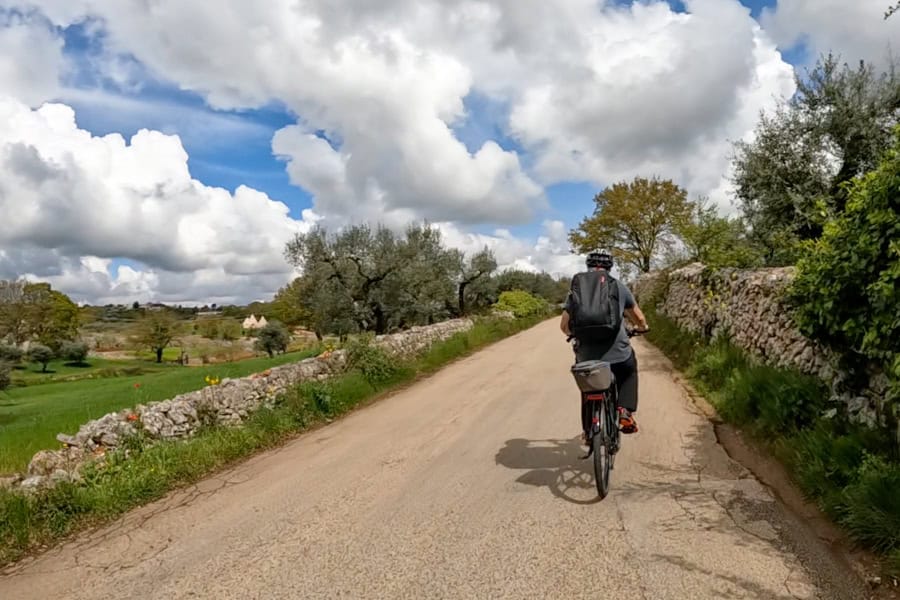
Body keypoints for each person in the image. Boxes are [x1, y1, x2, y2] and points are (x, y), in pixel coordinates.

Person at [560, 249, 649, 442]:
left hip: (587, 354)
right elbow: (639, 317)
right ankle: (625, 411)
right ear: (610, 267)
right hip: (618, 353)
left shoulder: (577, 290)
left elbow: (564, 326)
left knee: (589, 387)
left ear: (588, 266)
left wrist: (573, 335)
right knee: (629, 371)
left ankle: (589, 431)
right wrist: (642, 327)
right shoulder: (618, 287)